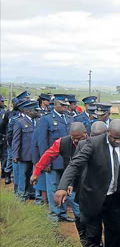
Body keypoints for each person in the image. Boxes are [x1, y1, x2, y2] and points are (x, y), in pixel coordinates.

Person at [54, 120, 120, 247]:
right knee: (92, 233)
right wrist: (62, 187)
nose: (117, 142)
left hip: (115, 197)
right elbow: (75, 165)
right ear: (108, 133)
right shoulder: (92, 144)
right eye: (114, 138)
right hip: (92, 196)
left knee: (116, 232)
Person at [31, 122, 88, 241]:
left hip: (89, 181)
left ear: (86, 133)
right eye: (74, 138)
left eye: (80, 138)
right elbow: (48, 156)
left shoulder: (94, 143)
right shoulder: (62, 142)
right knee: (79, 212)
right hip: (71, 181)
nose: (77, 141)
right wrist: (36, 172)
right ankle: (85, 239)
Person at [37, 94, 74, 222]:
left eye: (66, 106)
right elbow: (42, 142)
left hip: (66, 162)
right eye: (62, 105)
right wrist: (45, 162)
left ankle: (63, 213)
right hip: (52, 161)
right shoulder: (46, 119)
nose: (65, 108)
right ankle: (54, 214)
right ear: (55, 105)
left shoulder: (70, 119)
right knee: (52, 187)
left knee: (64, 187)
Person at [12, 100, 40, 200]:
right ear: (27, 111)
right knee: (22, 176)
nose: (36, 111)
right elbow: (16, 140)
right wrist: (15, 155)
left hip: (35, 155)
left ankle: (30, 193)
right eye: (33, 109)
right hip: (24, 155)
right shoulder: (20, 122)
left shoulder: (38, 121)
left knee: (33, 175)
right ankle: (21, 195)